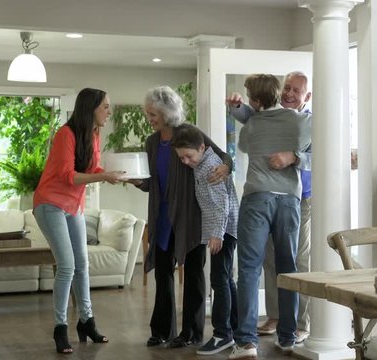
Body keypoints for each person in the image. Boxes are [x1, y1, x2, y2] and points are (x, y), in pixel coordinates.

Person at [129, 86, 232, 349]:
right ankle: (161, 330)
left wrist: (225, 168)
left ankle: (191, 332)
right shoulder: (152, 142)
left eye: (153, 114)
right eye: (148, 113)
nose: (149, 118)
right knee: (162, 272)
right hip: (161, 214)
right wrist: (135, 181)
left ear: (166, 113)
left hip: (190, 214)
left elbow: (222, 156)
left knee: (194, 271)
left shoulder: (189, 133)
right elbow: (152, 181)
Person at [33, 87, 124, 354]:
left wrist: (112, 175)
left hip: (73, 205)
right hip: (50, 203)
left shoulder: (94, 135)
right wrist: (103, 177)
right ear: (92, 107)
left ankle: (87, 321)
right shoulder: (65, 134)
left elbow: (91, 169)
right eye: (105, 106)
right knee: (67, 265)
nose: (109, 111)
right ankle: (60, 328)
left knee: (83, 264)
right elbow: (67, 176)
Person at [227, 74, 312, 359]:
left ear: (254, 99)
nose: (290, 93)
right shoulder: (302, 122)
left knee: (249, 270)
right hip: (289, 201)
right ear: (278, 92)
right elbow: (330, 147)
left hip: (257, 199)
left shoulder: (252, 124)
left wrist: (293, 156)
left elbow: (245, 146)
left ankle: (247, 343)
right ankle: (288, 338)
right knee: (288, 269)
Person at [172, 126, 239, 356]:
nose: (185, 162)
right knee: (226, 279)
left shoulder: (210, 167)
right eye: (181, 158)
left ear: (202, 148)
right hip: (221, 230)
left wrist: (217, 234)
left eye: (188, 156)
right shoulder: (201, 164)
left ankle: (222, 334)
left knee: (218, 280)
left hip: (223, 231)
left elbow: (222, 204)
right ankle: (236, 329)